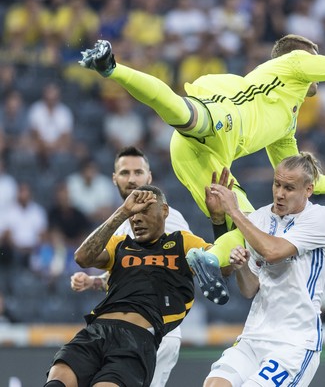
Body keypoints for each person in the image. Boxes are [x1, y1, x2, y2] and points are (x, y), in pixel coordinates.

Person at [78, 35, 325, 223]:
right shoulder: (292, 61)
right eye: (314, 55)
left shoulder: (286, 120)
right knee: (182, 112)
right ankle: (112, 68)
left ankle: (209, 262)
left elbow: (291, 176)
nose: (317, 63)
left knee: (243, 223)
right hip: (224, 117)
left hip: (203, 153)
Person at [69, 146, 229, 387]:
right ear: (114, 178)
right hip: (125, 328)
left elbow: (175, 263)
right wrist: (96, 281)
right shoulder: (126, 222)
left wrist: (212, 252)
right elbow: (135, 273)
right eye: (124, 173)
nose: (132, 179)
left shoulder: (166, 217)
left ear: (149, 177)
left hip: (155, 329)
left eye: (138, 172)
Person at [190, 152, 325, 387]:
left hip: (294, 342)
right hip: (254, 335)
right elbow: (249, 289)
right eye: (277, 184)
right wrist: (221, 225)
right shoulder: (258, 219)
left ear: (308, 190)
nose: (279, 193)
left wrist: (234, 212)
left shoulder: (320, 217)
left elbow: (272, 251)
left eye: (289, 188)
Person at [45, 185, 208, 387]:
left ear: (164, 211)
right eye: (133, 213)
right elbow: (83, 257)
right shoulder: (121, 244)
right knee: (56, 381)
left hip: (137, 340)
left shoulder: (180, 242)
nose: (136, 218)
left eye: (144, 211)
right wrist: (122, 212)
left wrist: (219, 222)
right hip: (96, 330)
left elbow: (219, 260)